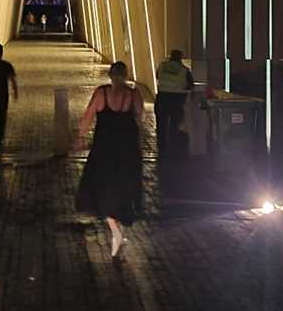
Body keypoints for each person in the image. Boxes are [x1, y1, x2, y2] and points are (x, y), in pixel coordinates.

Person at [74, 61, 144, 257]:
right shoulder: (133, 94)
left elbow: (88, 115)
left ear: (110, 75)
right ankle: (117, 231)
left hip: (104, 149)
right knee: (123, 188)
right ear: (126, 75)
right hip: (127, 150)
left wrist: (80, 136)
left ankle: (115, 232)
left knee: (100, 189)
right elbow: (139, 117)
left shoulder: (101, 93)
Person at [154, 49, 194, 159]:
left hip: (162, 97)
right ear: (180, 58)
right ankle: (173, 147)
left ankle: (162, 147)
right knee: (175, 123)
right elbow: (191, 84)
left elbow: (157, 76)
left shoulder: (162, 66)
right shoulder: (184, 69)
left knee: (161, 123)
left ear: (170, 56)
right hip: (177, 99)